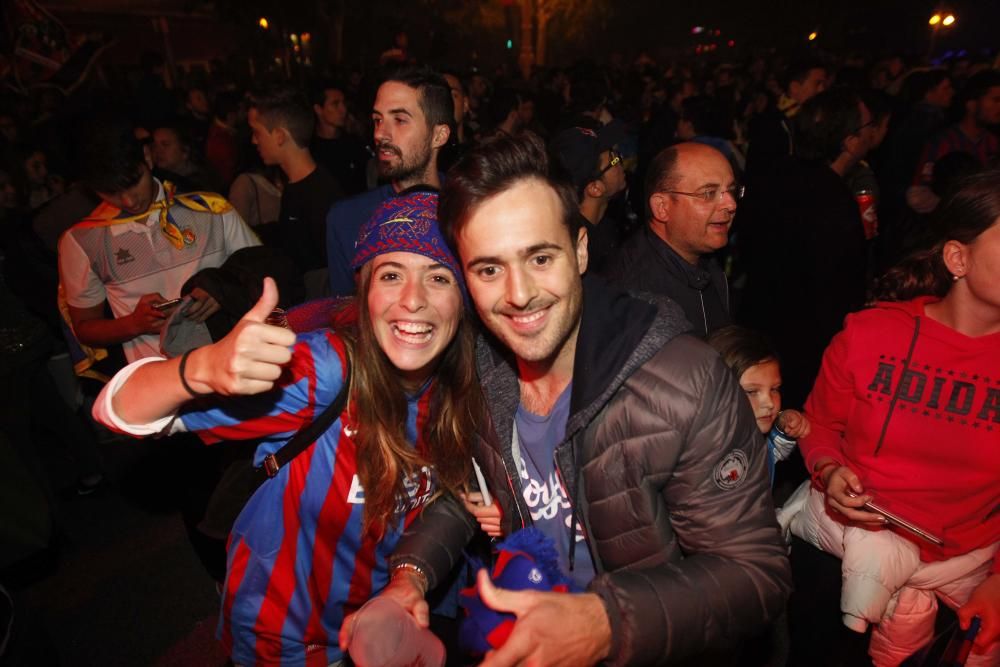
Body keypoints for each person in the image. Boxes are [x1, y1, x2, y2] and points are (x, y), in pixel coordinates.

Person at [350, 134, 791, 666]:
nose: (518, 294)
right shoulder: (482, 367)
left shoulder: (681, 381)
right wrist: (409, 578)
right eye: (489, 269)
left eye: (539, 257)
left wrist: (605, 622)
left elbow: (755, 573)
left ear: (580, 250)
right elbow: (467, 492)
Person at [92, 190, 484, 665]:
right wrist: (199, 369)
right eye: (391, 275)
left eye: (438, 277)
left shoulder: (465, 388)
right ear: (365, 290)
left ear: (463, 300)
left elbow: (450, 499)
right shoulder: (326, 369)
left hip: (384, 628)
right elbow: (118, 409)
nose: (413, 299)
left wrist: (410, 579)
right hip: (286, 640)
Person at [788, 170, 1000, 666]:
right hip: (839, 559)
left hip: (963, 575)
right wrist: (828, 470)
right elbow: (818, 425)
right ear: (957, 257)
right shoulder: (871, 334)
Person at [58, 115, 259, 363]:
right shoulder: (82, 241)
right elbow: (85, 327)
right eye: (111, 192)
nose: (129, 201)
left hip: (236, 361)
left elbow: (262, 269)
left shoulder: (209, 208)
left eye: (133, 182)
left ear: (148, 157)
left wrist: (222, 290)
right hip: (160, 384)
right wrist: (133, 324)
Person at [738, 87, 872, 407]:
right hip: (806, 347)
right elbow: (839, 287)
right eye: (869, 126)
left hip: (758, 323)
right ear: (850, 140)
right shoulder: (835, 201)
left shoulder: (772, 176)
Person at [326, 66, 453, 296]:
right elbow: (343, 316)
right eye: (378, 120)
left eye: (400, 120)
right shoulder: (346, 218)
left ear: (439, 136)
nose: (380, 134)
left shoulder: (467, 211)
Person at [604, 142, 737, 337]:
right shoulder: (633, 299)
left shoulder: (704, 260)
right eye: (708, 193)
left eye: (731, 190)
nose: (731, 204)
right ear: (662, 207)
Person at [248, 84, 343, 298]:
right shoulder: (295, 188)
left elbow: (329, 279)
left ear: (280, 136)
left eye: (257, 132)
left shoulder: (321, 196)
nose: (253, 140)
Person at [708, 325, 810, 485]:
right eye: (752, 391)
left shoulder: (756, 440)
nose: (769, 403)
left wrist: (783, 428)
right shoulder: (702, 453)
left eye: (774, 389)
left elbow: (772, 452)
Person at [548, 122, 627, 274]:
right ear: (595, 189)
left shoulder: (605, 228)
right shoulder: (584, 256)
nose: (620, 159)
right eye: (613, 159)